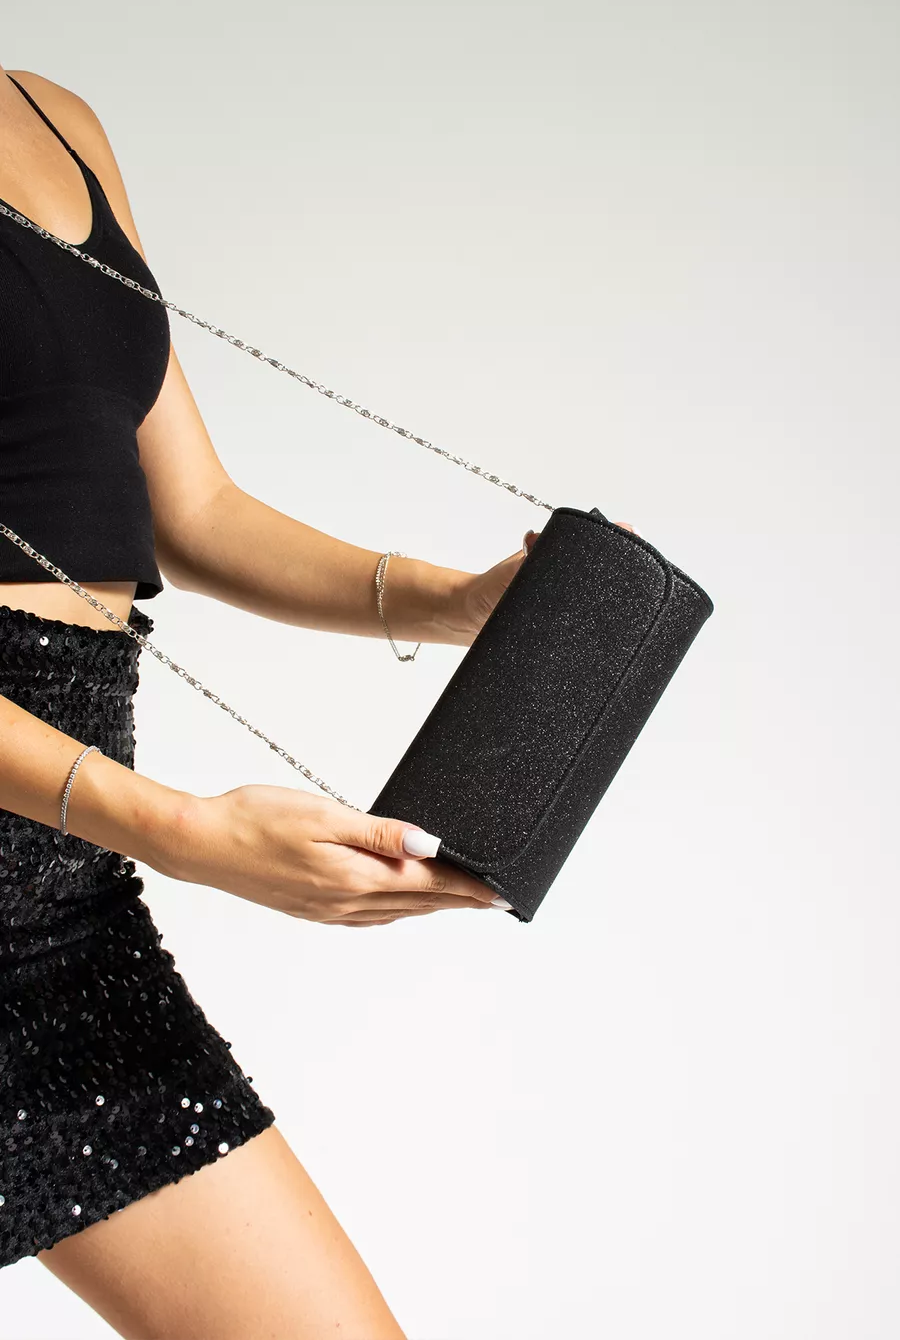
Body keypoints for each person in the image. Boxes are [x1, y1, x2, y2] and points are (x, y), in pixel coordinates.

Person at [0, 65, 637, 1338]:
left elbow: (195, 511)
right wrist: (181, 831)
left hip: (57, 906)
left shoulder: (55, 118)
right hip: (94, 822)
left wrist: (460, 601)